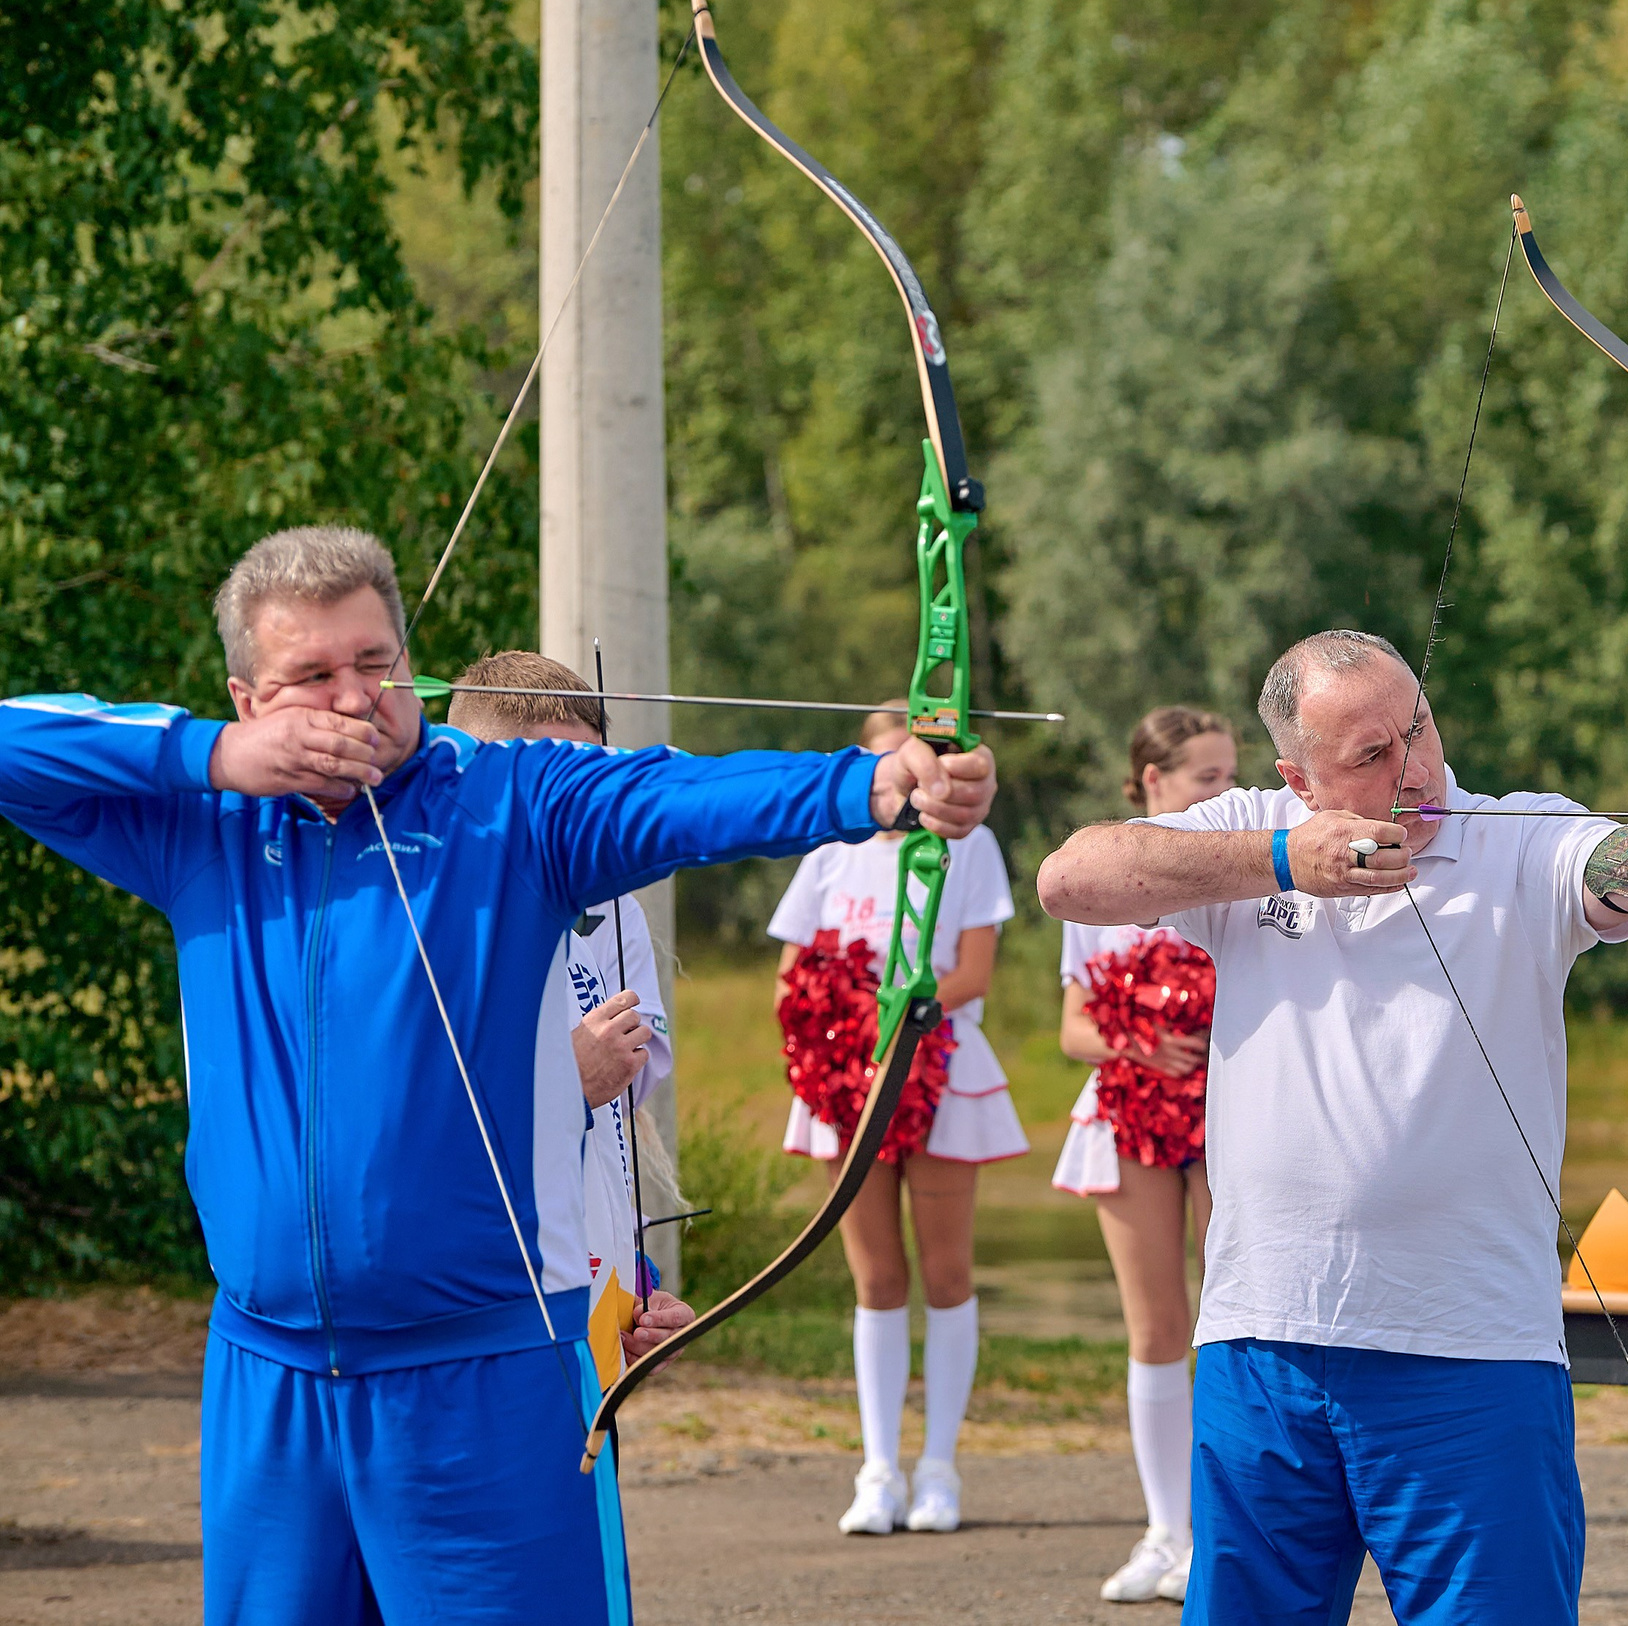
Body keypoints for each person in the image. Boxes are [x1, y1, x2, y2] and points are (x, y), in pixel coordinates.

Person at [0, 525, 994, 1626]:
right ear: (246, 697)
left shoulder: (519, 803)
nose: (352, 699)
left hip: (485, 1372)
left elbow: (693, 797)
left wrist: (874, 785)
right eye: (310, 677)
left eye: (375, 663)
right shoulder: (204, 820)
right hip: (268, 1380)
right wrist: (214, 761)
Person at [1035, 629, 1628, 1626]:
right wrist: (1280, 858)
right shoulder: (1250, 836)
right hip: (1261, 1343)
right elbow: (1072, 875)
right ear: (1297, 777)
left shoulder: (1519, 839)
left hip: (1468, 1355)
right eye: (1366, 756)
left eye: (1418, 727)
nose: (1414, 767)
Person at [768, 709, 1027, 1537]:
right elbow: (790, 975)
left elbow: (974, 972)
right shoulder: (829, 847)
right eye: (887, 754)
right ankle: (877, 1469)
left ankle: (940, 1467)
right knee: (877, 1279)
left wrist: (899, 1015)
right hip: (850, 1081)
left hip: (939, 1067)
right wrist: (843, 1034)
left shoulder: (969, 845)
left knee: (946, 1274)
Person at [445, 651, 698, 1378]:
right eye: (553, 777)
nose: (577, 803)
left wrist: (635, 1283)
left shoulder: (610, 902)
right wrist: (563, 1080)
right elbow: (417, 1123)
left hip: (590, 1301)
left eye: (592, 777)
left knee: (587, 1486)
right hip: (478, 1320)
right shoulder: (427, 909)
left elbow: (611, 1130)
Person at [1052, 707, 1237, 1603]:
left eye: (1233, 775)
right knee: (1157, 1329)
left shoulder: (1241, 862)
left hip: (1229, 1113)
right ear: (1151, 783)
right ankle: (1166, 1531)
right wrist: (1138, 1046)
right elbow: (1074, 1025)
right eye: (1208, 778)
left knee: (1228, 1320)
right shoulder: (1105, 871)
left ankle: (1224, 1532)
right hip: (1130, 1114)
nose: (1228, 793)